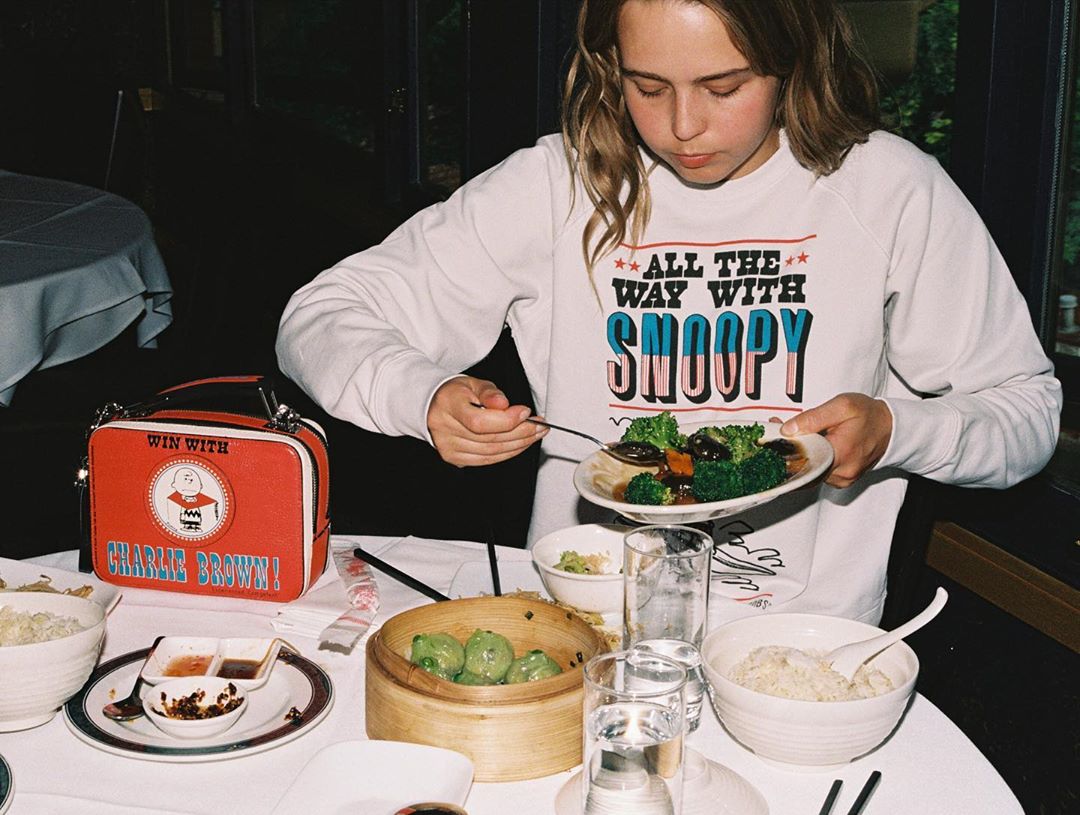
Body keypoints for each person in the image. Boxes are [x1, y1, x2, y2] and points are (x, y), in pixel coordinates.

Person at [277, 0, 1062, 624]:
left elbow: (1026, 415)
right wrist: (422, 395)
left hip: (800, 646)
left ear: (792, 60)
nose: (684, 126)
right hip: (587, 623)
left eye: (725, 87)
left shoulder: (890, 191)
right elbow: (320, 314)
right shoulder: (558, 185)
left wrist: (900, 429)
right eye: (647, 86)